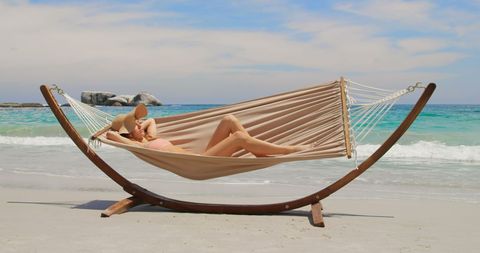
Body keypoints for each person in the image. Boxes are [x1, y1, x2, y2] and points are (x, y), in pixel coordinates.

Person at [107, 104, 308, 157]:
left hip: (203, 156)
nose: (141, 125)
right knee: (238, 137)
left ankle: (260, 153)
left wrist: (137, 121)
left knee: (229, 119)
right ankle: (288, 149)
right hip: (198, 164)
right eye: (136, 125)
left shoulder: (149, 137)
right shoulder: (136, 145)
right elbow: (111, 135)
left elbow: (151, 119)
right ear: (129, 134)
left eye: (139, 122)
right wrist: (116, 128)